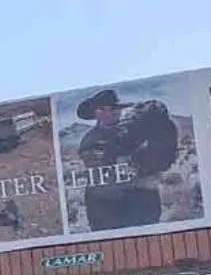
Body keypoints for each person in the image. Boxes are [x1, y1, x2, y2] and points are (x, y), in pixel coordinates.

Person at [74, 88, 178, 230]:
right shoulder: (91, 140)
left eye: (117, 108)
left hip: (142, 205)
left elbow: (159, 158)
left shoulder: (133, 130)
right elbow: (104, 170)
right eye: (110, 109)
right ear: (98, 113)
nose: (116, 112)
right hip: (107, 209)